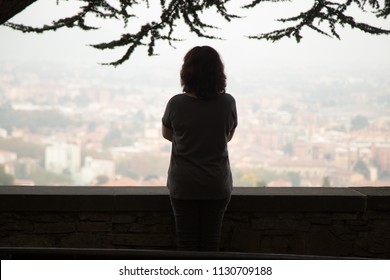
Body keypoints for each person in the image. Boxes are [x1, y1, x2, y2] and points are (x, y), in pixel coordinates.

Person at [161, 46, 238, 251]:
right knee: (211, 243)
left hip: (183, 183)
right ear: (218, 72)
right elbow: (227, 136)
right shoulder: (227, 102)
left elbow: (167, 134)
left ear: (187, 72)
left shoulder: (176, 104)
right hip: (216, 182)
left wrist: (188, 140)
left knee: (185, 244)